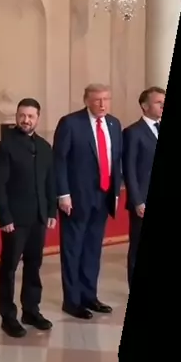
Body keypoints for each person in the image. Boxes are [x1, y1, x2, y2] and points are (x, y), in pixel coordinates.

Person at [53, 84, 122, 319]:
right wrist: (63, 194)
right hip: (76, 198)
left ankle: (89, 296)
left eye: (106, 99)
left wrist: (115, 193)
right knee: (73, 250)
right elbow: (59, 160)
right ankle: (72, 301)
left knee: (93, 250)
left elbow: (115, 161)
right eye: (97, 100)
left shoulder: (114, 124)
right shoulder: (70, 123)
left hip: (103, 197)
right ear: (86, 100)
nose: (102, 104)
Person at [0, 98, 56, 338]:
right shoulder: (5, 146)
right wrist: (4, 217)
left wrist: (51, 211)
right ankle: (8, 317)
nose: (26, 120)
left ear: (38, 118)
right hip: (15, 220)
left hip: (38, 217)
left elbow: (50, 182)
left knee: (34, 265)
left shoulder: (45, 147)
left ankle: (31, 310)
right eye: (22, 115)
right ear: (17, 116)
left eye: (30, 116)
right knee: (9, 268)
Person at [122, 86, 165, 288]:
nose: (162, 105)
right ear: (145, 106)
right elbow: (129, 169)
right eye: (158, 102)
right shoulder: (133, 132)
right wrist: (137, 200)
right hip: (143, 200)